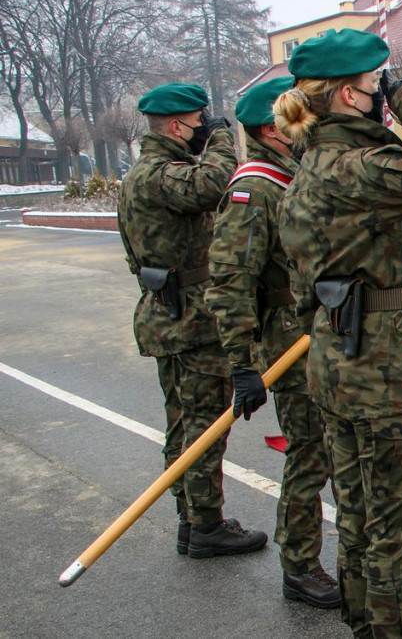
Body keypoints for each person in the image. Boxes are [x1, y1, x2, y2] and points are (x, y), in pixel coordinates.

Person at [274, 29, 402, 638]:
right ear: (347, 95)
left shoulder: (315, 162)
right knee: (396, 526)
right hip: (387, 371)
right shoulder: (354, 166)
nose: (382, 95)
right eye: (374, 86)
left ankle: (365, 625)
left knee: (361, 517)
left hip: (341, 358)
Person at [203, 76, 340, 608]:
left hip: (324, 331)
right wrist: (242, 364)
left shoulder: (296, 173)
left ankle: (365, 540)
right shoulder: (254, 187)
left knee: (344, 445)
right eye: (298, 119)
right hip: (289, 343)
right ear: (271, 128)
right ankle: (300, 566)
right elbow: (230, 282)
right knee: (311, 453)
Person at [117, 82, 268, 557]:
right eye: (200, 120)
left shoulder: (143, 173)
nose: (205, 127)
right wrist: (223, 138)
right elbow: (216, 182)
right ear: (180, 125)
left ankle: (191, 518)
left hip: (168, 311)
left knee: (182, 421)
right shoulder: (161, 173)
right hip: (190, 319)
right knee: (203, 424)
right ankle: (205, 524)